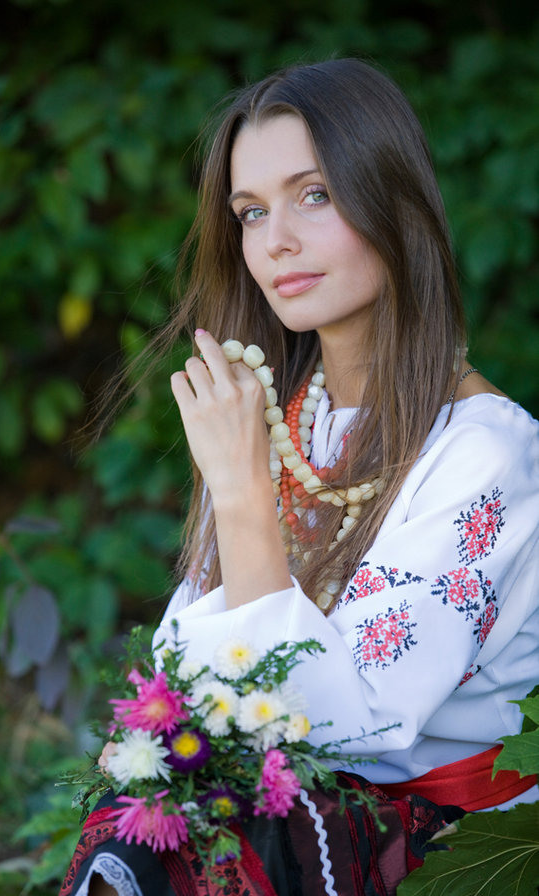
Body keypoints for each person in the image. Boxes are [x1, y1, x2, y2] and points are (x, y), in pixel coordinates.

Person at [60, 58, 539, 896]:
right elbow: (189, 672)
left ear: (393, 200)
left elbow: (338, 728)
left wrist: (244, 497)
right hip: (289, 807)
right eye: (250, 212)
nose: (274, 239)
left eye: (313, 195)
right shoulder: (286, 420)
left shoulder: (486, 452)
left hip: (445, 846)